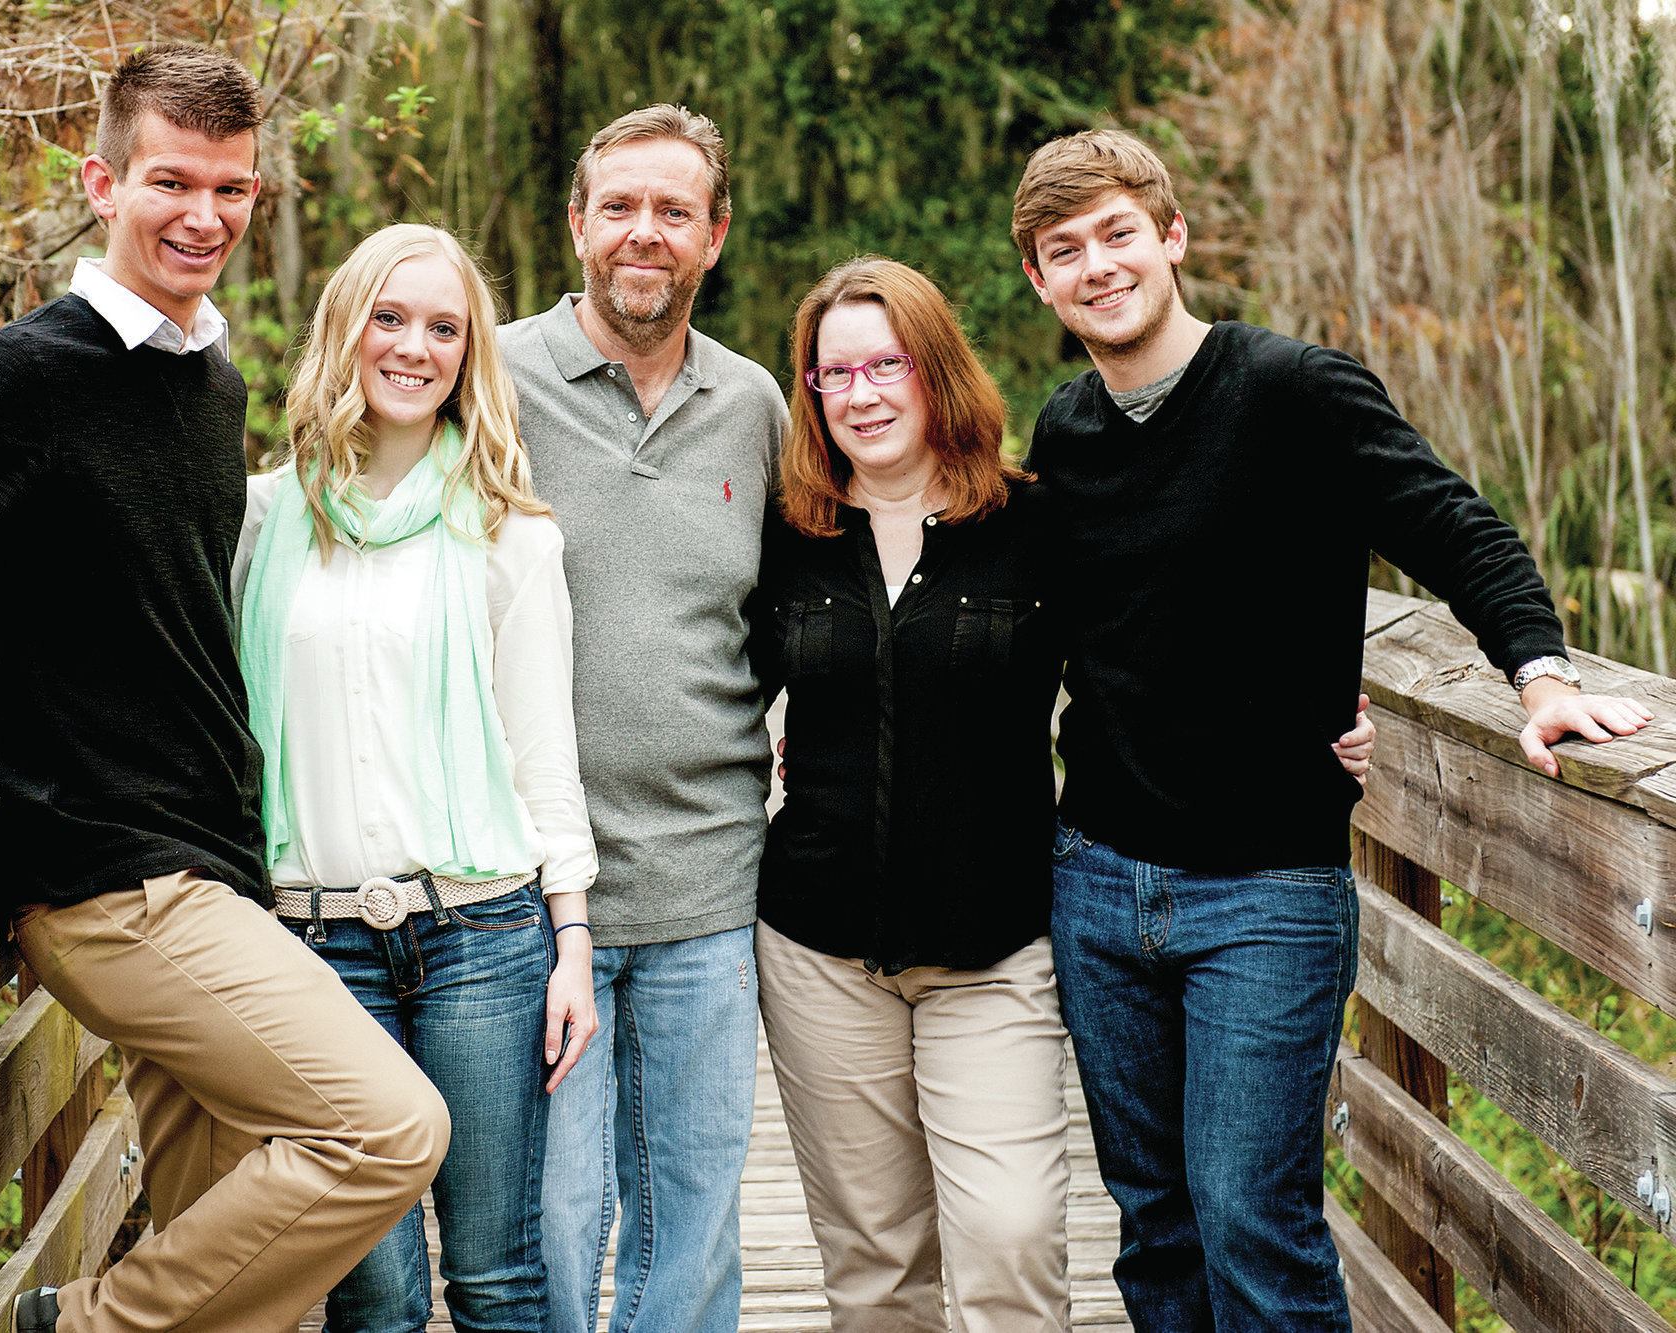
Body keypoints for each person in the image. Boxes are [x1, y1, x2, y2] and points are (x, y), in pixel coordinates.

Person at [0, 46, 450, 1333]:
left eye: (231, 189)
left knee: (220, 1266)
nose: (203, 216)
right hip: (112, 882)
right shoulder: (26, 374)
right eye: (171, 181)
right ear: (101, 182)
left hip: (214, 869)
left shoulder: (212, 381)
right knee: (387, 1127)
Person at [1013, 128, 1654, 1329]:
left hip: (1264, 890)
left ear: (1170, 236)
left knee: (1250, 1218)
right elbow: (1055, 629)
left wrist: (1538, 676)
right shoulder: (1066, 432)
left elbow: (1452, 526)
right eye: (1064, 250)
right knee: (1153, 1222)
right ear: (1039, 280)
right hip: (1096, 881)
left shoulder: (1290, 389)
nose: (1096, 265)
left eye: (1116, 234)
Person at [751, 257, 1373, 1333]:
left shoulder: (1032, 521)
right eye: (832, 373)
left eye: (886, 364)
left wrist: (1307, 718)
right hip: (818, 952)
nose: (861, 394)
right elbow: (705, 683)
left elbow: (1164, 633)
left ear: (934, 369)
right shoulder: (786, 534)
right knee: (872, 1266)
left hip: (993, 947)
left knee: (1013, 1237)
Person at [232, 223, 598, 1333]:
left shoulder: (510, 536)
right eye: (389, 318)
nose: (413, 347)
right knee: (371, 1288)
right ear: (345, 330)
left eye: (444, 328)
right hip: (311, 943)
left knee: (493, 1272)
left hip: (480, 935)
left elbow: (542, 751)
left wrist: (573, 939)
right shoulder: (262, 518)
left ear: (468, 355)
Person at [497, 104, 789, 1333]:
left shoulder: (755, 406)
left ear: (713, 236)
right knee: (554, 1219)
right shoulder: (488, 378)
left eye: (674, 211)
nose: (643, 233)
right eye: (617, 206)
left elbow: (801, 610)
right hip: (523, 887)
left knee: (693, 1220)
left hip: (708, 883)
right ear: (576, 223)